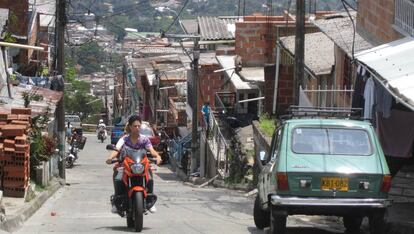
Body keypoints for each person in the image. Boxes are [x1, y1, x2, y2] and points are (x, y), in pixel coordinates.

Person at [106, 115, 162, 214]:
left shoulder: (144, 139)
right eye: (135, 126)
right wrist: (110, 157)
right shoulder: (124, 139)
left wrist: (157, 157)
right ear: (130, 127)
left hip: (141, 165)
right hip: (125, 164)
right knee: (118, 178)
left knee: (151, 178)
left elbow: (151, 150)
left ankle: (150, 201)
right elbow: (116, 150)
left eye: (139, 126)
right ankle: (116, 202)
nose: (137, 128)